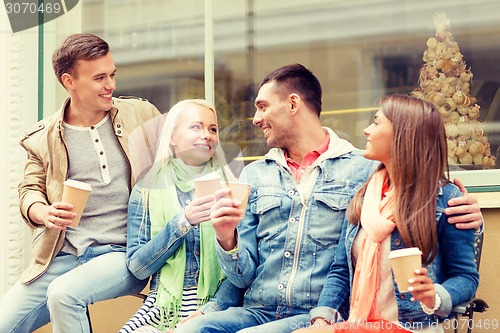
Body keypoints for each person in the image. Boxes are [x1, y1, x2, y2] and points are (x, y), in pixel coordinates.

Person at [174, 64, 483, 333]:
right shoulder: (260, 176)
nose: (255, 118)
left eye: (263, 106)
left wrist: (473, 218)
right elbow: (245, 273)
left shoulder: (361, 172)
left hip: (338, 315)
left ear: (293, 104)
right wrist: (226, 241)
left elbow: (419, 182)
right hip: (262, 308)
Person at [0, 33, 162, 333]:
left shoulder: (141, 115)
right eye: (99, 77)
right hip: (63, 255)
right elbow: (29, 190)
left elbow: (180, 163)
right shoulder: (43, 137)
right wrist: (43, 213)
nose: (111, 85)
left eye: (112, 74)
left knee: (64, 296)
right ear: (69, 81)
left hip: (123, 252)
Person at [294, 94, 480, 333]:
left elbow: (466, 277)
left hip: (412, 328)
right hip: (359, 325)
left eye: (376, 122)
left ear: (403, 133)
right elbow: (340, 270)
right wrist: (322, 319)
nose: (366, 130)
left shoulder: (445, 200)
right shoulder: (363, 194)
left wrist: (434, 295)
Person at [120, 99, 244, 333]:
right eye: (196, 127)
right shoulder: (145, 191)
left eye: (212, 129)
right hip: (162, 308)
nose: (207, 135)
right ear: (172, 137)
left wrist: (211, 310)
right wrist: (182, 222)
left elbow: (245, 267)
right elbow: (137, 267)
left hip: (219, 308)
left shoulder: (233, 188)